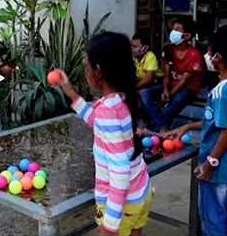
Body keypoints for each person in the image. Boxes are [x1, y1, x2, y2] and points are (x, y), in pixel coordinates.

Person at [52, 32, 152, 236]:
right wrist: (70, 92)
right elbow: (97, 122)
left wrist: (110, 225)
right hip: (140, 190)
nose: (85, 69)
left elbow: (120, 170)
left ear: (98, 71)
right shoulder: (122, 98)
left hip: (122, 203)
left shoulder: (108, 109)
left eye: (87, 64)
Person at [163, 27, 227, 236]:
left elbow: (226, 131)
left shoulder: (222, 91)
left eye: (209, 51)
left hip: (218, 174)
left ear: (218, 57)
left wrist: (210, 164)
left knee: (213, 222)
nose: (207, 56)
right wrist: (188, 126)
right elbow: (215, 121)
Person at [140, 20, 205, 132]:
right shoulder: (168, 49)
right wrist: (165, 90)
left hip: (188, 88)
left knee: (177, 100)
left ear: (187, 35)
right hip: (170, 84)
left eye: (177, 29)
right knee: (144, 92)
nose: (172, 32)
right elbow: (166, 74)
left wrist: (169, 96)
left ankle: (154, 129)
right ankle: (161, 126)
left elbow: (184, 81)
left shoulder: (195, 55)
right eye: (173, 29)